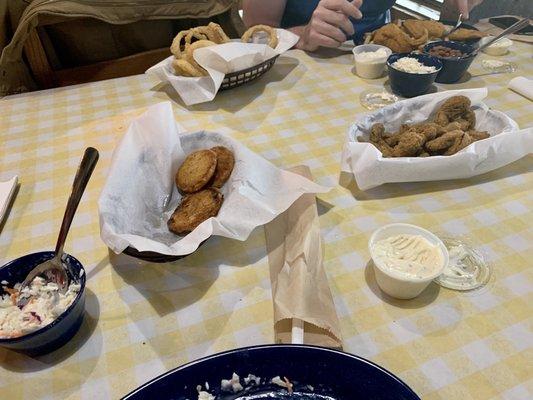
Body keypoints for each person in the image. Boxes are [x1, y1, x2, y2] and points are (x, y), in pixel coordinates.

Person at [242, 0, 486, 51]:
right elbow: (255, 38)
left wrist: (456, 8)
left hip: (380, 68)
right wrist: (303, 36)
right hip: (302, 75)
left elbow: (451, 18)